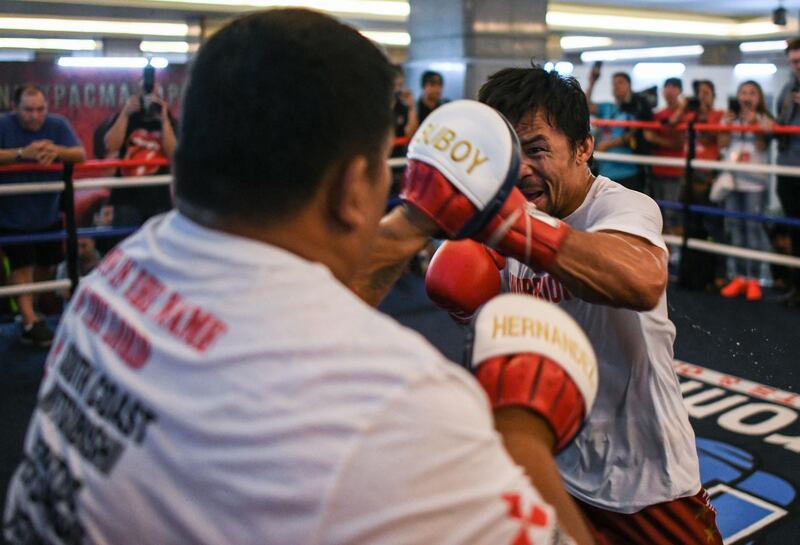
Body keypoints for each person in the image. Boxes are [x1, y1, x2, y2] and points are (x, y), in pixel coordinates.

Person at [4, 10, 598, 545]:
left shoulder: (119, 271)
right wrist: (522, 437)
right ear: (352, 187)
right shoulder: (388, 398)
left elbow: (276, 317)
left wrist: (419, 211)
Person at [406, 66, 721, 545]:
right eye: (510, 155)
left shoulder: (622, 208)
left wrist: (508, 225)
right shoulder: (508, 228)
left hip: (647, 480)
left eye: (536, 150)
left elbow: (640, 279)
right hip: (558, 472)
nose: (522, 169)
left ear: (583, 147)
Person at [0, 85, 86, 347]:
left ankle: (30, 312)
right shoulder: (4, 125)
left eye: (40, 109)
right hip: (12, 213)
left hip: (47, 210)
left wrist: (57, 151)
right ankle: (28, 319)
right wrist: (20, 154)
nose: (35, 116)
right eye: (28, 110)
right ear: (15, 108)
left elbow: (80, 153)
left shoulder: (57, 124)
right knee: (21, 265)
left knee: (46, 266)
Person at [718, 80, 775, 301]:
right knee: (735, 228)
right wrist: (728, 125)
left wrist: (754, 124)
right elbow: (722, 143)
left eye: (752, 93)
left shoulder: (764, 120)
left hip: (754, 183)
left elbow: (762, 146)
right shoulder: (730, 117)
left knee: (753, 229)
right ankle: (740, 276)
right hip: (733, 180)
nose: (746, 97)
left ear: (759, 97)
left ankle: (754, 279)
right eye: (743, 92)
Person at [101, 76, 177, 228]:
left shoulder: (168, 120)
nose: (150, 99)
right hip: (126, 196)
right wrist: (125, 113)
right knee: (126, 240)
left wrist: (164, 120)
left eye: (155, 96)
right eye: (146, 94)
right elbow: (111, 146)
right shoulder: (126, 117)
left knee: (159, 244)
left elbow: (174, 154)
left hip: (158, 196)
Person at [586, 70, 653, 193]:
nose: (616, 86)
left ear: (629, 86)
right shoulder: (608, 108)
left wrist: (608, 145)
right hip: (605, 171)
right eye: (614, 83)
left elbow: (634, 132)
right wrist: (592, 82)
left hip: (627, 170)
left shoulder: (637, 107)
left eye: (620, 83)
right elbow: (584, 105)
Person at [644, 77, 691, 232]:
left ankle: (676, 254)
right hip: (658, 169)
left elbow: (678, 144)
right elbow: (648, 137)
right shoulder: (658, 114)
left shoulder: (686, 115)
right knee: (658, 214)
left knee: (672, 214)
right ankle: (665, 252)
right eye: (667, 87)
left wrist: (656, 138)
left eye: (674, 87)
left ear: (680, 91)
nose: (669, 90)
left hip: (674, 170)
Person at [775, 37, 800, 307]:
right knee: (794, 229)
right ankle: (796, 287)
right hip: (787, 166)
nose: (797, 65)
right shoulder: (787, 88)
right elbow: (779, 124)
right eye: (793, 61)